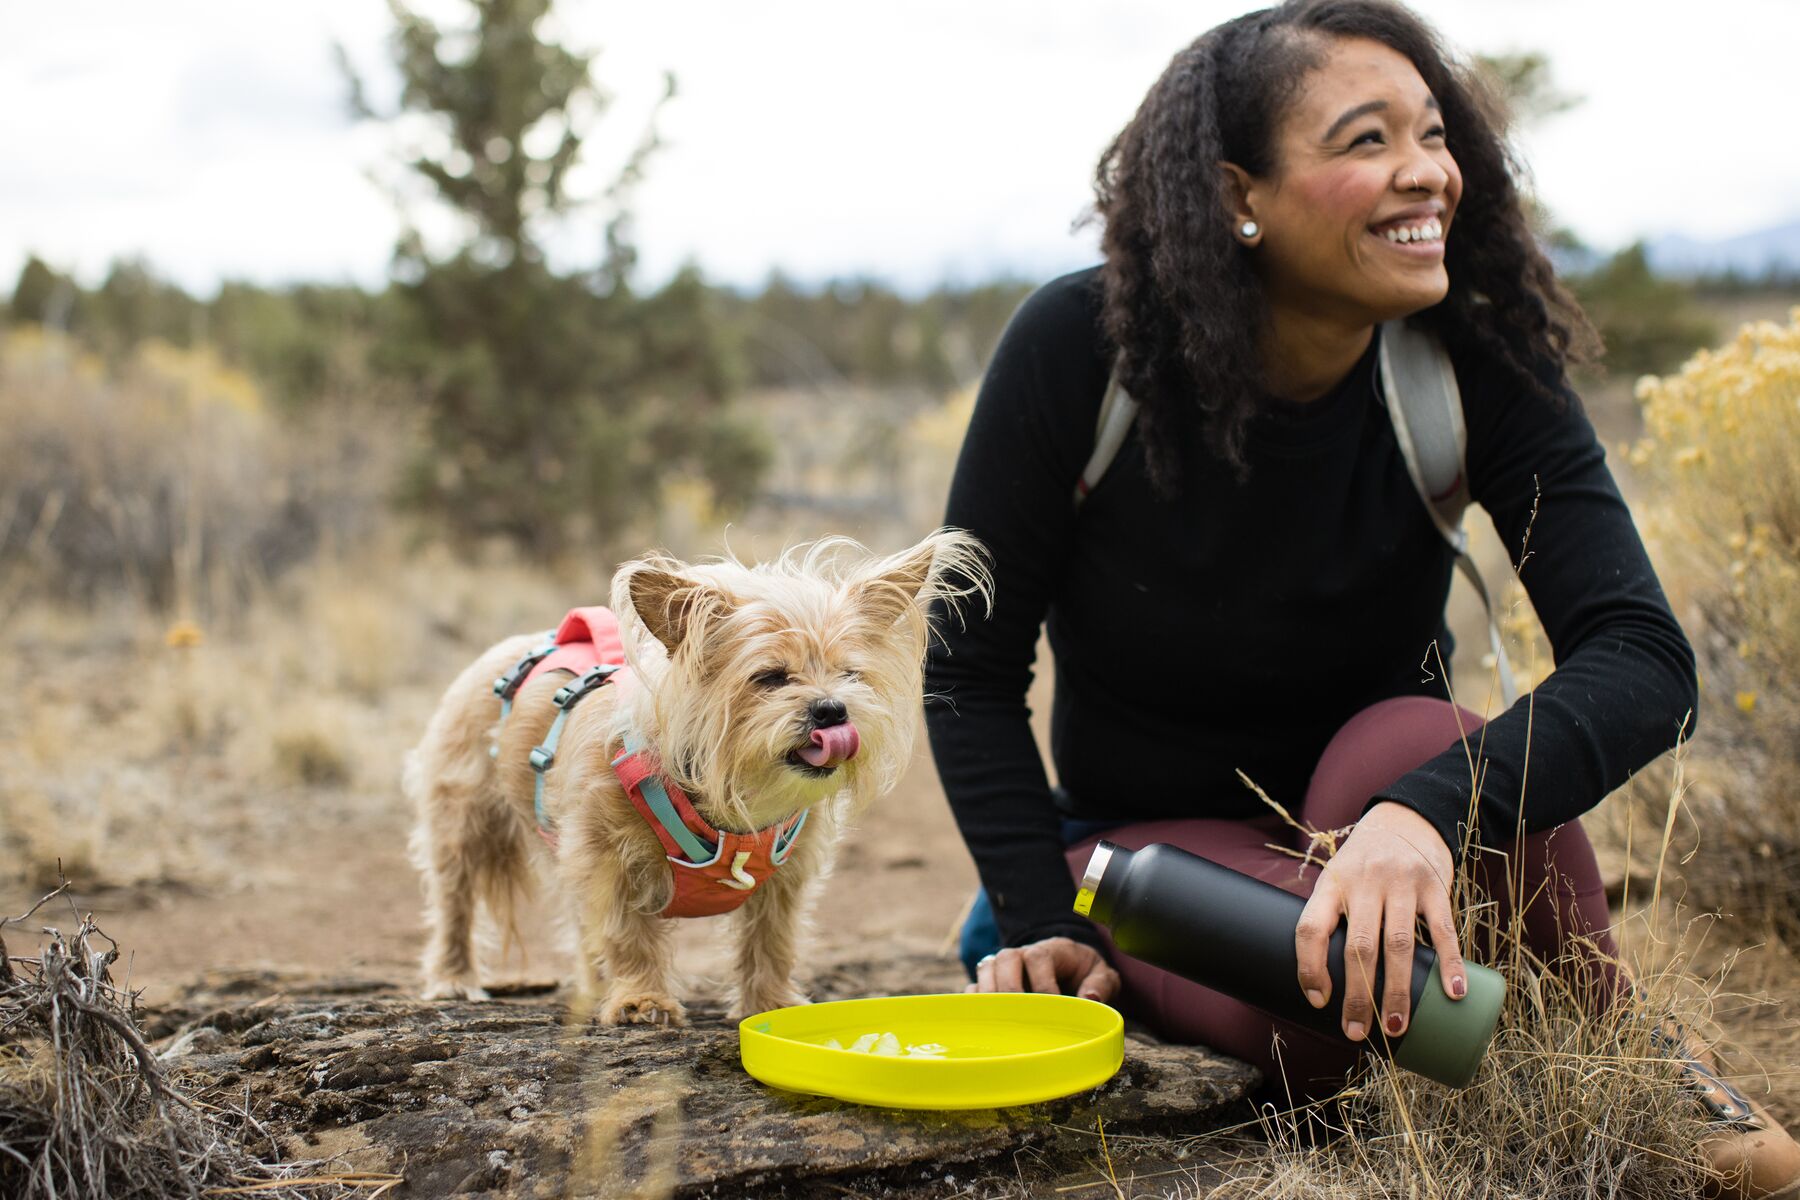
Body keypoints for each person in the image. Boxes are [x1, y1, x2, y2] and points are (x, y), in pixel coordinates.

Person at [922, 1, 1800, 1195]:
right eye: (1364, 141)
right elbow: (969, 667)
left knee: (1415, 735)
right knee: (1325, 1012)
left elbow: (1643, 654)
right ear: (1242, 193)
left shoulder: (1470, 361)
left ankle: (1625, 1051)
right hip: (1151, 848)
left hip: (1382, 810)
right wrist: (1037, 912)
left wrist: (1425, 812)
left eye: (1433, 135)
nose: (1425, 173)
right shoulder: (1080, 352)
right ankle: (1506, 1036)